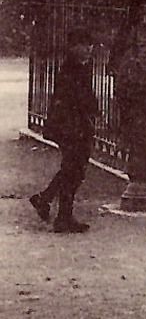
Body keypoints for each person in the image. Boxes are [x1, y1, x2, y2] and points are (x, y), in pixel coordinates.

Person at [29, 26, 98, 234]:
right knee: (74, 170)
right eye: (83, 45)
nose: (88, 49)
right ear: (72, 47)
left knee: (72, 169)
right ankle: (62, 217)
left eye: (89, 45)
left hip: (73, 126)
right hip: (71, 128)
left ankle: (45, 200)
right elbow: (77, 99)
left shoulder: (79, 67)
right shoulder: (72, 69)